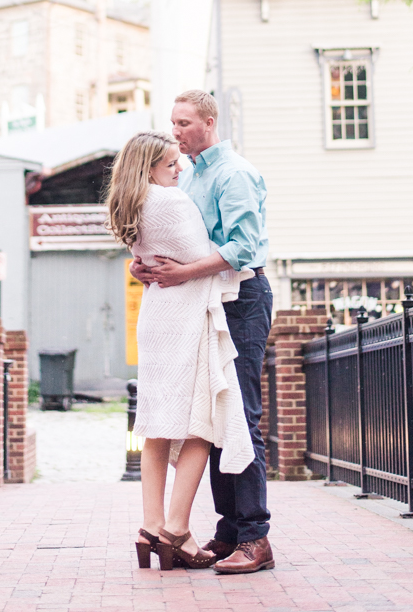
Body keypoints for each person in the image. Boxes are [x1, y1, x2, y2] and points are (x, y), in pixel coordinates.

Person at [131, 90, 273, 576]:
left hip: (243, 301)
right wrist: (145, 267)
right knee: (211, 414)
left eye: (185, 122)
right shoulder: (186, 175)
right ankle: (230, 530)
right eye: (172, 122)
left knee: (240, 414)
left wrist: (183, 273)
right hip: (204, 303)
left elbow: (242, 248)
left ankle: (256, 536)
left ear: (209, 122)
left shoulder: (232, 174)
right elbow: (176, 242)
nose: (176, 130)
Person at [106, 130, 255, 572]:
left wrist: (145, 265)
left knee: (155, 425)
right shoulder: (170, 202)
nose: (179, 168)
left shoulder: (130, 203)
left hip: (156, 317)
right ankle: (175, 529)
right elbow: (203, 256)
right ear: (148, 166)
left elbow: (151, 258)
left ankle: (151, 528)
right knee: (199, 424)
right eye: (170, 163)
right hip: (186, 316)